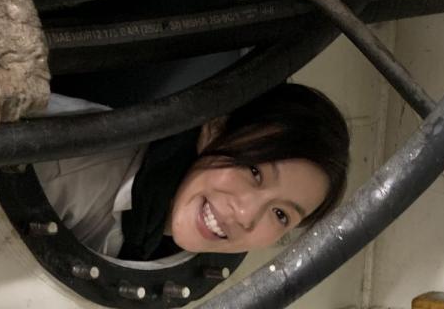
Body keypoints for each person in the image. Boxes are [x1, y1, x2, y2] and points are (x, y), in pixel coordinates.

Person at [35, 83, 350, 261]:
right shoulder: (71, 166)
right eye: (254, 171)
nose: (246, 216)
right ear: (215, 129)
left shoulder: (155, 240)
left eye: (281, 215)